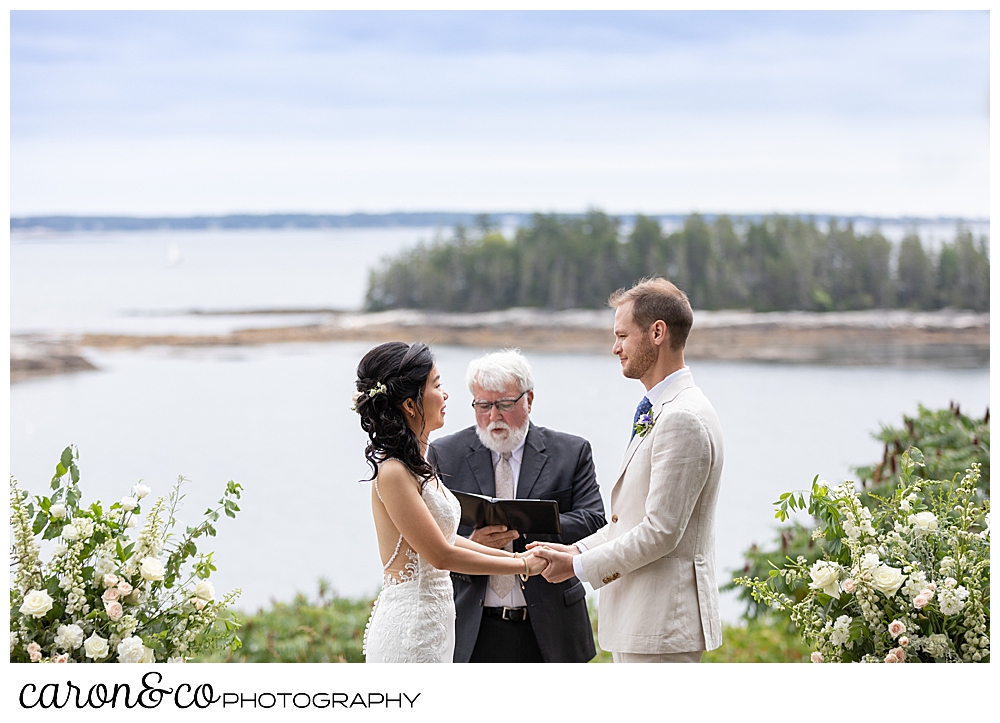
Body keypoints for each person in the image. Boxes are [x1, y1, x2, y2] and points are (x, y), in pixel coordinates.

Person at [530, 278, 724, 663]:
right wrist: (575, 548)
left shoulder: (682, 417)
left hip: (663, 626)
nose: (615, 348)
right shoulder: (665, 408)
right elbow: (630, 519)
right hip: (645, 624)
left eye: (622, 335)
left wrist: (577, 566)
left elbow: (661, 531)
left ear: (657, 332)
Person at [354, 341, 548, 663]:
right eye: (437, 385)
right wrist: (523, 566)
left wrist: (525, 556)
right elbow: (442, 555)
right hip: (411, 630)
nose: (445, 396)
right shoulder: (392, 472)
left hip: (436, 623)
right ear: (410, 405)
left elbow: (445, 537)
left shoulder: (418, 464)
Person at [428, 350, 606, 663]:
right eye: (483, 405)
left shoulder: (571, 451)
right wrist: (472, 545)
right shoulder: (446, 454)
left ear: (529, 400)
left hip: (552, 628)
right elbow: (431, 539)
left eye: (505, 404)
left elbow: (594, 520)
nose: (493, 416)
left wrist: (526, 523)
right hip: (471, 626)